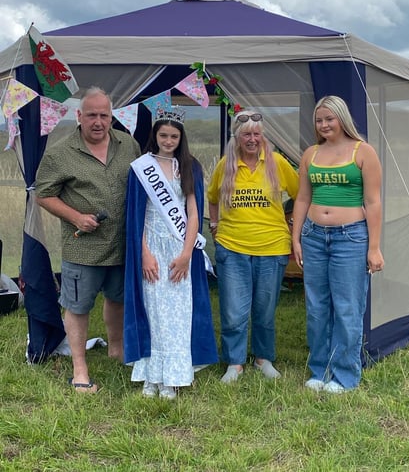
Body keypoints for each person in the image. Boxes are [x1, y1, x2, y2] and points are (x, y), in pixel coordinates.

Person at [35, 87, 141, 393]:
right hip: (84, 248)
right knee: (79, 306)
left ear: (111, 117)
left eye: (103, 115)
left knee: (118, 299)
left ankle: (116, 348)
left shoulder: (128, 144)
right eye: (91, 115)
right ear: (79, 116)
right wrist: (75, 217)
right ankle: (80, 367)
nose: (98, 121)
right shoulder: (60, 153)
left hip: (123, 244)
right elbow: (43, 195)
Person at [123, 107, 218, 399]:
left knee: (178, 312)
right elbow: (134, 216)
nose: (168, 140)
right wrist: (144, 254)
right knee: (153, 311)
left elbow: (193, 213)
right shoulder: (141, 167)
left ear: (181, 137)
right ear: (155, 135)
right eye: (163, 135)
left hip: (179, 249)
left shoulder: (190, 166)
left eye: (174, 136)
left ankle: (173, 376)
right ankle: (152, 375)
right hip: (151, 246)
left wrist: (187, 253)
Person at [292, 95, 384, 394]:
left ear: (341, 119)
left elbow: (373, 201)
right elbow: (303, 197)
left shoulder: (363, 152)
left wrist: (374, 247)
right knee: (317, 307)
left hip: (351, 237)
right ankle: (320, 370)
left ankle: (345, 375)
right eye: (319, 120)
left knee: (347, 307)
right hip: (314, 236)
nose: (324, 124)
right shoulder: (311, 154)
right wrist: (296, 236)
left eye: (329, 119)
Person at [207, 110, 299, 383]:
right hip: (232, 247)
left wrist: (292, 222)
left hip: (272, 248)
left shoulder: (278, 163)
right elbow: (211, 197)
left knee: (264, 309)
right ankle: (234, 363)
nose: (252, 139)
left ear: (263, 137)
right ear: (237, 138)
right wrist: (214, 225)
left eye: (256, 134)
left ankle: (263, 358)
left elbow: (300, 194)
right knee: (234, 311)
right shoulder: (226, 165)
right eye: (246, 134)